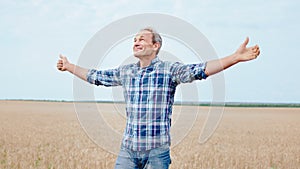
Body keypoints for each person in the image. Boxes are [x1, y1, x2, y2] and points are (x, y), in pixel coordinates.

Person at [57, 27, 260, 169]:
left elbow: (200, 70)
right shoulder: (126, 72)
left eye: (142, 39)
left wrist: (235, 58)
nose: (136, 41)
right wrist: (69, 67)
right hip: (128, 150)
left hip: (156, 153)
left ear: (156, 46)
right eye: (134, 39)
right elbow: (96, 77)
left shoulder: (169, 70)